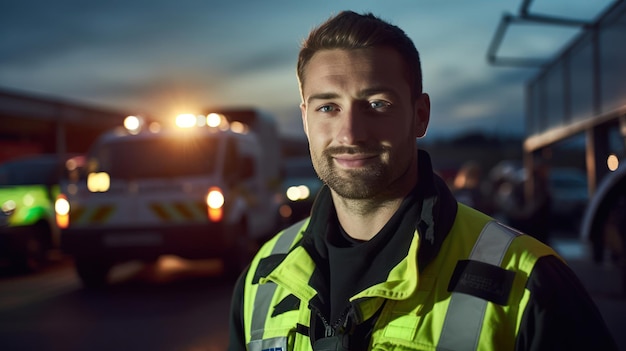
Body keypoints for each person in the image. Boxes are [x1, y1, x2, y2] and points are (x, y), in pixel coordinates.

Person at [228, 11, 617, 350]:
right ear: (305, 120)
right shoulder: (262, 277)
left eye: (377, 104)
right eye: (328, 107)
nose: (350, 133)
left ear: (420, 115)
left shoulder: (528, 281)